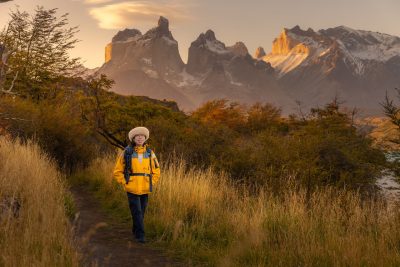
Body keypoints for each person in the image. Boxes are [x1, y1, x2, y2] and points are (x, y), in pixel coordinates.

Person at [113, 126, 160, 243]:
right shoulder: (127, 152)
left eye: (142, 136)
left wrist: (151, 182)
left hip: (145, 188)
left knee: (141, 212)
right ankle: (141, 236)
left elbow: (156, 171)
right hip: (132, 188)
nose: (140, 138)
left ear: (145, 138)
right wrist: (125, 183)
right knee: (137, 212)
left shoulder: (150, 153)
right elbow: (117, 171)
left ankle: (135, 230)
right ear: (133, 139)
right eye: (137, 136)